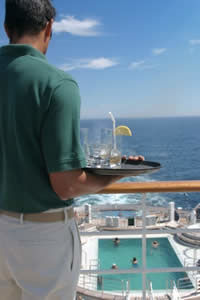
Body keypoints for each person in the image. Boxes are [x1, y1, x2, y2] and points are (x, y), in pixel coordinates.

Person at [0, 1, 144, 299]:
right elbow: (66, 185)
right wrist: (115, 175)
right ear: (49, 27)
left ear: (6, 28)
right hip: (42, 238)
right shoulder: (56, 84)